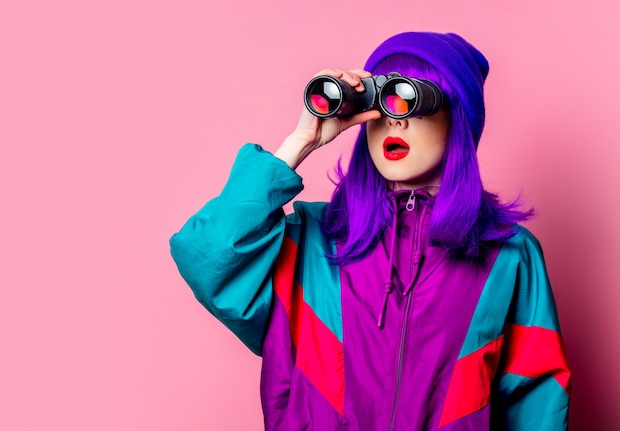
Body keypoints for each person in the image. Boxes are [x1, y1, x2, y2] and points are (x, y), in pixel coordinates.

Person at [170, 32, 571, 430]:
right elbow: (207, 255)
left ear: (458, 121)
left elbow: (537, 403)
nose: (395, 117)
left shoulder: (508, 256)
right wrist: (298, 144)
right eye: (381, 100)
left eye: (411, 99)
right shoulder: (311, 241)